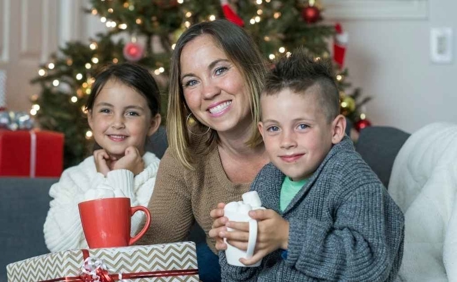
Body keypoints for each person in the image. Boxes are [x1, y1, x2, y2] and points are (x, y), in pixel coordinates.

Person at [210, 49, 405, 281]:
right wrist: (237, 244)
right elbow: (237, 276)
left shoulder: (356, 183)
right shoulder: (268, 179)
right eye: (274, 128)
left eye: (302, 126)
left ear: (335, 130)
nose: (286, 142)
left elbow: (371, 265)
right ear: (262, 132)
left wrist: (288, 237)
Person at [136, 19, 269, 281]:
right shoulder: (187, 153)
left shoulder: (302, 132)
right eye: (192, 82)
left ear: (249, 67)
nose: (208, 92)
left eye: (220, 70)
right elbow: (152, 250)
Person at [43, 63, 162, 253]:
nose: (117, 123)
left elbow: (134, 247)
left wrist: (122, 176)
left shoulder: (161, 176)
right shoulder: (73, 178)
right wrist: (102, 180)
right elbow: (58, 245)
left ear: (153, 123)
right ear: (90, 118)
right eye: (106, 111)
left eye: (132, 113)